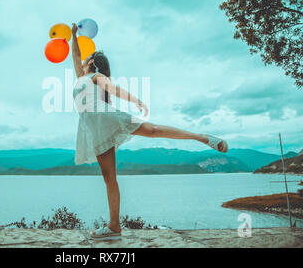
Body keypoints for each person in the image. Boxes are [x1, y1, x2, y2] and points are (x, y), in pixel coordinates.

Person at [70, 23, 228, 241]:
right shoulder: (81, 78)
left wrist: (136, 100)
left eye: (88, 59)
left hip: (105, 119)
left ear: (94, 63)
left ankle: (202, 137)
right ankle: (114, 226)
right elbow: (75, 55)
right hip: (94, 129)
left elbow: (113, 89)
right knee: (109, 178)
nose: (83, 61)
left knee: (153, 130)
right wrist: (72, 35)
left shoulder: (95, 77)